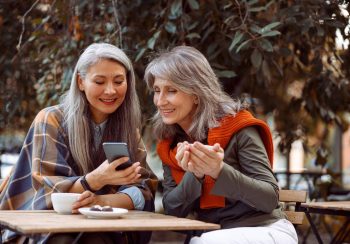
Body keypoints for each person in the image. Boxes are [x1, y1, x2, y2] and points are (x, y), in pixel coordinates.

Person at [0, 43, 157, 243]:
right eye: (99, 81)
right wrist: (94, 181)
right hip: (42, 222)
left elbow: (144, 191)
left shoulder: (129, 129)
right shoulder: (51, 119)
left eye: (118, 81)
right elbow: (47, 190)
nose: (110, 91)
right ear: (81, 82)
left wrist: (99, 201)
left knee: (98, 239)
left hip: (100, 223)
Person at [144, 46, 298, 244]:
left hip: (264, 230)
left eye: (171, 91)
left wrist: (218, 171)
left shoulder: (239, 127)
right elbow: (174, 210)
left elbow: (269, 198)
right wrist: (196, 174)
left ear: (196, 94)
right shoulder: (170, 145)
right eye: (157, 91)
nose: (160, 101)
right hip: (211, 235)